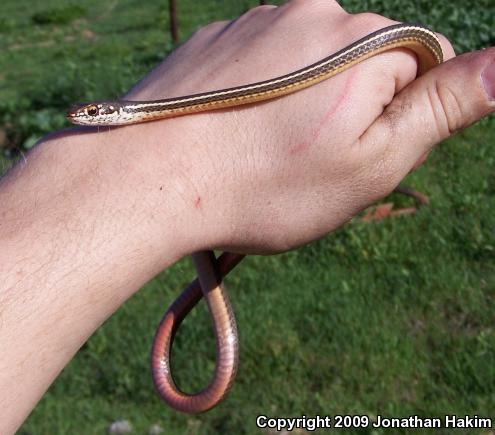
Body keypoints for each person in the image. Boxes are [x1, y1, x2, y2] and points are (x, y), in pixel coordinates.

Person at [0, 1, 493, 432]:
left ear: (110, 112)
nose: (87, 119)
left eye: (93, 115)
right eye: (91, 117)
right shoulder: (133, 114)